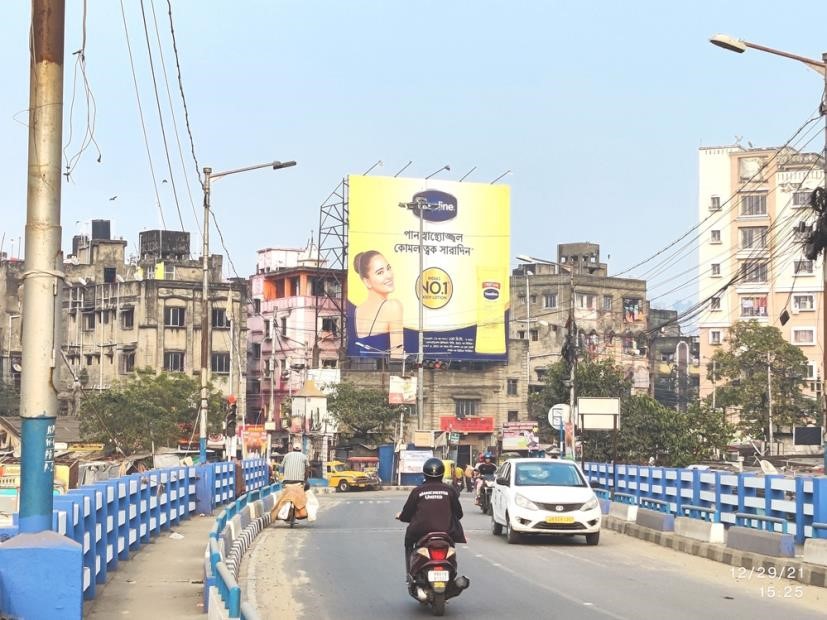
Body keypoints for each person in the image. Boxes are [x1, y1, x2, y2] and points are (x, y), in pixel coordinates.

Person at [396, 458, 466, 578]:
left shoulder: (418, 491)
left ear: (424, 474)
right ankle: (452, 571)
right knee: (451, 546)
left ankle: (410, 574)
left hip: (421, 531)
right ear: (442, 474)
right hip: (446, 532)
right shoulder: (450, 490)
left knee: (408, 542)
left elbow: (407, 514)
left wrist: (401, 516)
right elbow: (459, 514)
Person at [351, 250, 403, 358]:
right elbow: (397, 355)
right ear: (367, 282)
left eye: (388, 268)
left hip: (361, 369)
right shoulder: (393, 307)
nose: (389, 275)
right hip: (385, 371)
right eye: (380, 272)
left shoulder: (356, 311)